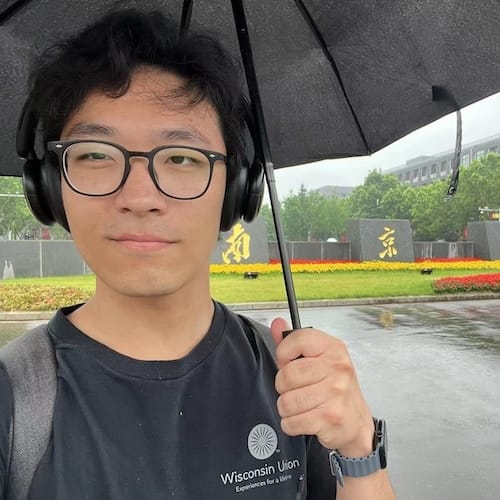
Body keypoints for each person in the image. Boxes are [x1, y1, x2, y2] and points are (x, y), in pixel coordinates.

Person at [0, 8, 396, 500]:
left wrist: (359, 450)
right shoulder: (13, 402)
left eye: (182, 158)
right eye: (97, 155)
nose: (140, 196)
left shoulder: (291, 380)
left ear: (237, 190)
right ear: (50, 187)